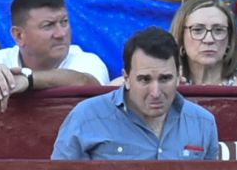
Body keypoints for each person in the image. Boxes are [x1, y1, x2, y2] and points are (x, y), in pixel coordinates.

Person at [51, 26, 221, 158]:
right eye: (144, 80)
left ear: (178, 77)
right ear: (126, 78)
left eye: (165, 79)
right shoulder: (86, 117)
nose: (155, 92)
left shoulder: (203, 123)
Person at [0, 0, 109, 110]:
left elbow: (85, 82)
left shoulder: (88, 61)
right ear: (19, 35)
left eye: (64, 22)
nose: (61, 33)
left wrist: (28, 80)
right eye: (48, 26)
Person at [172, 0, 237, 84]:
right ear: (181, 37)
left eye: (218, 30)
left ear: (230, 39)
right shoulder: (167, 86)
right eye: (198, 30)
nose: (209, 40)